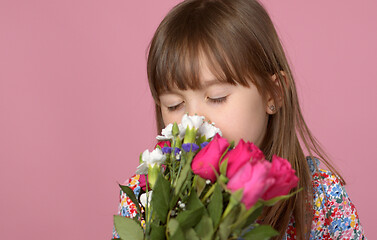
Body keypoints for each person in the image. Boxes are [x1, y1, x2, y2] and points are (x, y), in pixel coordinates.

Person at [113, 0, 366, 239]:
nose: (195, 121)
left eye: (217, 97)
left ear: (273, 93)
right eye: (174, 104)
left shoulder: (321, 199)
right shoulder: (146, 199)